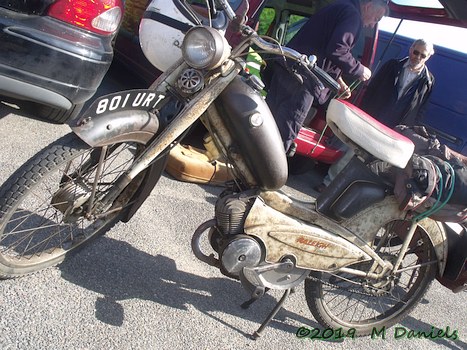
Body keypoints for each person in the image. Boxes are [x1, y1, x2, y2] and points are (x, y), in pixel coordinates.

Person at [265, 0, 389, 155]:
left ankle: (243, 168)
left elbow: (323, 48)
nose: (372, 25)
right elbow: (337, 50)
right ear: (369, 6)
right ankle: (262, 175)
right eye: (376, 19)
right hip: (303, 80)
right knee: (283, 133)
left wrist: (338, 81)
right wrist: (360, 70)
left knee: (266, 124)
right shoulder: (353, 15)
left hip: (288, 68)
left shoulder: (340, 7)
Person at [316, 38, 435, 192]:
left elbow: (421, 109)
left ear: (429, 56)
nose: (417, 57)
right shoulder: (393, 65)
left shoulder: (428, 81)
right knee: (351, 151)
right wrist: (363, 112)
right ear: (410, 49)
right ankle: (328, 184)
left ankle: (347, 192)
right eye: (415, 52)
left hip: (396, 128)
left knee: (375, 163)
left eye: (422, 55)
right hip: (373, 117)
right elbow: (372, 89)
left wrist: (410, 130)